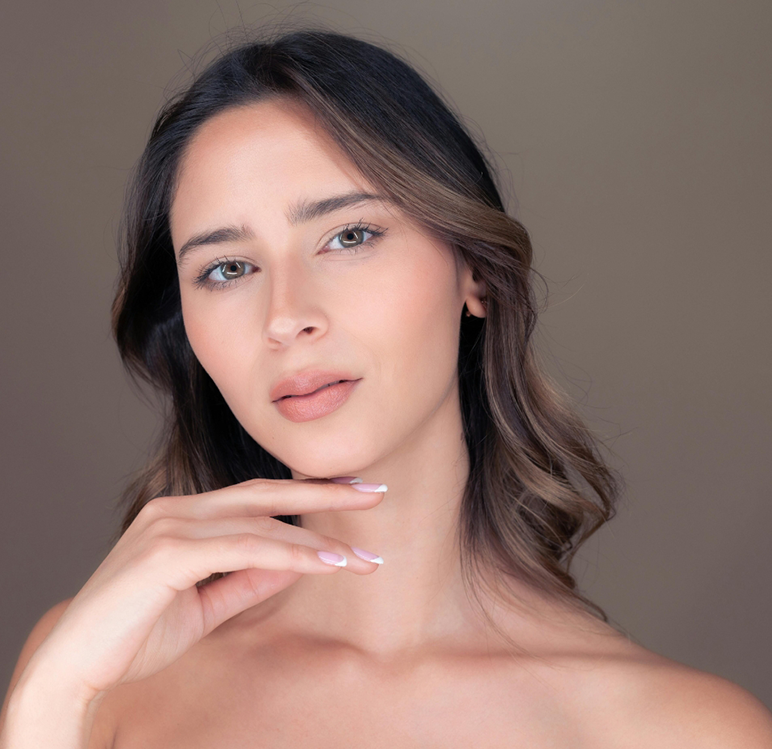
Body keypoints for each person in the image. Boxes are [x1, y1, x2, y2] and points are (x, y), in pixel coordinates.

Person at [1, 26, 771, 749]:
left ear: (474, 271)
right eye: (228, 268)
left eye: (349, 236)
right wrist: (50, 701)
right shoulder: (95, 669)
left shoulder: (678, 730)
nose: (287, 316)